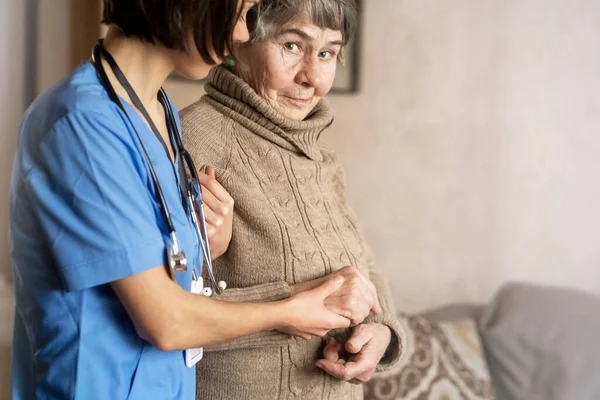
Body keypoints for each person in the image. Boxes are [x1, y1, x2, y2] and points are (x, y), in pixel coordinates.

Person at [8, 1, 355, 399]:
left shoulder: (160, 112)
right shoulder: (80, 123)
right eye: (241, 13)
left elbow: (162, 263)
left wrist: (211, 242)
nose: (241, 35)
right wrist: (287, 311)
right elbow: (166, 321)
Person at [180, 0, 407, 399]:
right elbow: (158, 320)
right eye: (291, 46)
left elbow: (365, 268)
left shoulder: (320, 157)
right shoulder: (193, 139)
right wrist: (291, 305)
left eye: (327, 53)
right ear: (240, 37)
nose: (313, 78)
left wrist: (382, 331)